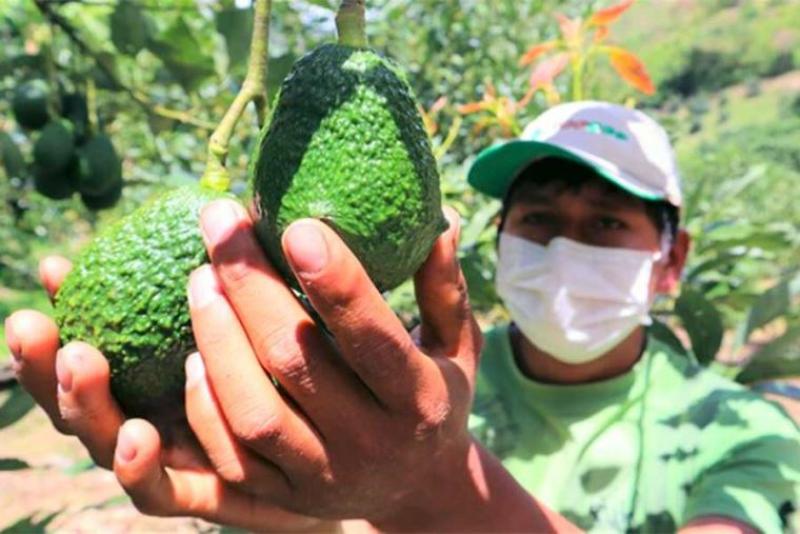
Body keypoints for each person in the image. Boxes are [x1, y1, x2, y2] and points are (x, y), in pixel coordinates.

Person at [4, 101, 799, 532]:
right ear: (500, 232)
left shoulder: (745, 433)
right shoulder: (403, 384)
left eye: (604, 226)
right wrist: (303, 519)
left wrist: (431, 490)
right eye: (539, 221)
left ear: (672, 258)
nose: (564, 248)